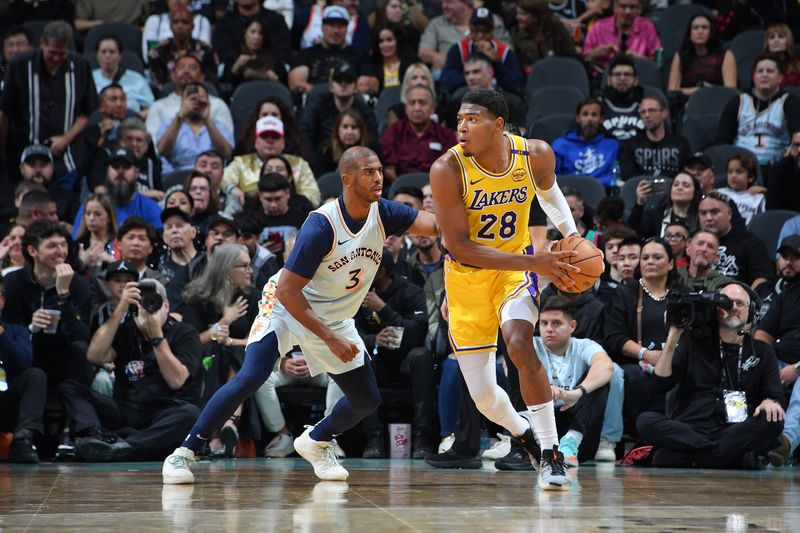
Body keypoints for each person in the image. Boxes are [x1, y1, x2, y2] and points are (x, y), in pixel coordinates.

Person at [161, 146, 441, 484]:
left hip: (334, 315)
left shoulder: (384, 212)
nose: (379, 177)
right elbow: (288, 292)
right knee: (252, 375)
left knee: (366, 399)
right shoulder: (321, 226)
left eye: (380, 170)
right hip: (286, 306)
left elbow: (435, 226)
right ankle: (184, 452)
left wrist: (470, 223)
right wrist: (330, 337)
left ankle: (315, 440)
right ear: (347, 180)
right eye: (369, 172)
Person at [429, 88, 591, 489]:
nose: (461, 127)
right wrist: (535, 261)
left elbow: (550, 195)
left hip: (512, 273)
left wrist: (572, 238)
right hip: (466, 279)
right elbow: (460, 246)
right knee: (484, 397)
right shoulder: (447, 169)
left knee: (519, 343)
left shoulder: (534, 154)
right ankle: (524, 434)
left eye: (472, 119)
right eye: (459, 120)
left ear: (498, 126)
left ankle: (552, 453)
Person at [636, 282, 785, 469]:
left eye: (740, 303)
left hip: (735, 429)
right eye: (726, 303)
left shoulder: (762, 351)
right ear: (714, 309)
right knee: (645, 421)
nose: (733, 308)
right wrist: (674, 335)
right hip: (690, 429)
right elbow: (660, 385)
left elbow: (776, 395)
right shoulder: (693, 342)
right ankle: (722, 455)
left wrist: (771, 401)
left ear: (751, 310)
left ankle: (689, 457)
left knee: (774, 421)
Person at [61, 278, 202, 462]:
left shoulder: (185, 333)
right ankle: (96, 437)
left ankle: (124, 447)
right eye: (141, 305)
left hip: (163, 411)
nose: (147, 310)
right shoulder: (127, 329)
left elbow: (176, 380)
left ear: (166, 306)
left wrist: (156, 337)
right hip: (125, 409)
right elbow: (94, 355)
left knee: (190, 414)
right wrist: (121, 309)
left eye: (153, 303)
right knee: (70, 388)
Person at [355, 249, 435, 458]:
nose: (360, 274)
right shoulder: (357, 294)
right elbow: (349, 334)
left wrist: (383, 309)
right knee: (361, 359)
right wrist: (374, 340)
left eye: (367, 270)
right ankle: (374, 437)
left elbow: (418, 333)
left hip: (407, 363)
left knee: (423, 356)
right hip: (378, 361)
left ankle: (422, 438)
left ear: (381, 272)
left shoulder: (411, 292)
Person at [179, 243, 256, 457]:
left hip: (239, 356)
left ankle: (218, 431)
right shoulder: (198, 298)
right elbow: (190, 342)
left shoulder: (252, 296)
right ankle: (227, 425)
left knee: (233, 353)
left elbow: (255, 339)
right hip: (203, 361)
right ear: (227, 269)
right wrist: (224, 321)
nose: (250, 271)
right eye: (245, 266)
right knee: (217, 352)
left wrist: (229, 340)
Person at [0, 21, 97, 182]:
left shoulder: (81, 66)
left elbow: (86, 112)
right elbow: (5, 111)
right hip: (23, 155)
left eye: (62, 53)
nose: (57, 58)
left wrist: (65, 138)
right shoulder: (20, 65)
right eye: (52, 53)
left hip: (66, 159)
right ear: (42, 43)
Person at [603, 237, 686, 420]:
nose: (650, 262)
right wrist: (647, 354)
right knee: (634, 376)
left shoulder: (682, 294)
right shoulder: (624, 293)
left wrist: (668, 357)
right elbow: (614, 336)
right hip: (638, 365)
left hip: (677, 362)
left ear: (671, 263)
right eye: (645, 257)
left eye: (657, 257)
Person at [2, 219, 93, 387]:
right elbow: (7, 335)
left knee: (80, 349)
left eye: (63, 245)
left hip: (65, 359)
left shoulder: (79, 284)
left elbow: (82, 338)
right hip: (28, 358)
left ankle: (78, 402)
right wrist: (30, 328)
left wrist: (64, 295)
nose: (61, 252)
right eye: (52, 246)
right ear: (32, 250)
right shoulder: (13, 282)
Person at [533, 296, 614, 466]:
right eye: (544, 323)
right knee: (520, 373)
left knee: (600, 381)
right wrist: (543, 389)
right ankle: (515, 442)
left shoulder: (583, 345)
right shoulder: (532, 345)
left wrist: (576, 393)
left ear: (572, 326)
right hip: (541, 424)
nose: (549, 329)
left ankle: (570, 444)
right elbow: (508, 369)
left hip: (578, 427)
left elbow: (606, 366)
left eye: (556, 323)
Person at [754, 236, 800, 467]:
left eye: (795, 257)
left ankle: (786, 443)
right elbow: (763, 333)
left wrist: (797, 368)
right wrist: (767, 363)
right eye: (785, 257)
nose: (788, 262)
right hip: (780, 362)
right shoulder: (786, 294)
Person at [717, 52, 800, 168]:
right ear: (753, 76)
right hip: (743, 169)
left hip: (778, 167)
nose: (764, 75)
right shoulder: (738, 102)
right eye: (760, 71)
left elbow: (797, 133)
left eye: (770, 71)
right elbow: (723, 141)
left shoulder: (789, 102)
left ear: (780, 77)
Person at [225, 117, 320, 208]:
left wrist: (284, 201)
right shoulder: (241, 162)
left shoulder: (299, 163)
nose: (270, 140)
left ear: (283, 142)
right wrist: (232, 188)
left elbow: (313, 195)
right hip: (251, 213)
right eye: (264, 136)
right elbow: (224, 178)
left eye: (275, 136)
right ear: (256, 142)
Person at [0, 275, 45, 463]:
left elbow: (23, 363)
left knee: (35, 375)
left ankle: (23, 438)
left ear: (2, 300)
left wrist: (1, 334)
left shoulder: (16, 330)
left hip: (5, 404)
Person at [73, 148, 163, 234]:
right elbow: (77, 240)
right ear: (107, 171)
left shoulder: (150, 208)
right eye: (115, 166)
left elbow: (161, 244)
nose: (120, 171)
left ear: (137, 172)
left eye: (126, 166)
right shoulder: (91, 208)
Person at [440, 7, 524, 97]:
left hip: (498, 95)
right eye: (475, 30)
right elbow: (446, 82)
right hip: (466, 95)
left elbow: (517, 86)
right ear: (470, 29)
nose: (480, 36)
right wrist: (476, 78)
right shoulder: (459, 49)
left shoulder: (504, 51)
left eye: (485, 31)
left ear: (492, 31)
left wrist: (497, 62)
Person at [145, 55, 233, 140]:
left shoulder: (218, 105)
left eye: (192, 68)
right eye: (181, 67)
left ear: (202, 77)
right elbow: (153, 145)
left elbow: (228, 144)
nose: (186, 71)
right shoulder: (158, 107)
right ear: (173, 76)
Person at [288, 6, 372, 95]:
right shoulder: (306, 54)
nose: (336, 31)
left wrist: (341, 96)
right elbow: (296, 83)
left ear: (347, 29)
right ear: (322, 27)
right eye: (332, 25)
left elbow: (370, 85)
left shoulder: (359, 56)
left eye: (340, 26)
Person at [380, 85, 456, 182]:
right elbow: (389, 171)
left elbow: (447, 170)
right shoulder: (392, 133)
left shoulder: (446, 135)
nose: (417, 108)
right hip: (401, 188)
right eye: (412, 103)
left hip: (436, 187)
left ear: (432, 109)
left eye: (422, 103)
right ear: (406, 108)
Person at [698, 191, 773, 289]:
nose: (708, 218)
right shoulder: (692, 243)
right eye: (703, 213)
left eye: (715, 212)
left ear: (729, 214)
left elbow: (762, 278)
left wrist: (747, 299)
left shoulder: (750, 241)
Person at [156, 82, 234, 173]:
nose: (195, 103)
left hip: (209, 175)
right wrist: (181, 115)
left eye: (200, 99)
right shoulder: (170, 124)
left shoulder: (218, 126)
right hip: (178, 175)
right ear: (182, 102)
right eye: (191, 99)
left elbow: (227, 154)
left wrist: (207, 120)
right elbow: (162, 150)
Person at [299, 63, 377, 152]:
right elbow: (305, 131)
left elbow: (372, 139)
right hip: (323, 156)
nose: (343, 84)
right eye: (339, 80)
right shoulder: (318, 104)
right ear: (331, 86)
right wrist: (312, 161)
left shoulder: (364, 111)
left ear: (355, 87)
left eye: (348, 81)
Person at [418, 0, 510, 74]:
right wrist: (447, 59)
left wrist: (493, 55)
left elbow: (508, 51)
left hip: (492, 75)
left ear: (465, 2)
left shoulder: (491, 21)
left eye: (449, 2)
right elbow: (423, 52)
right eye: (442, 2)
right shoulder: (436, 24)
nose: (444, 6)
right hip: (450, 75)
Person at [147, 5, 219, 93]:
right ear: (170, 26)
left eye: (185, 22)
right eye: (175, 22)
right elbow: (157, 85)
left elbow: (210, 84)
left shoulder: (207, 51)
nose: (180, 26)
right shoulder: (157, 52)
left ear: (192, 26)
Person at [618, 95, 690, 180]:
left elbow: (686, 174)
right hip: (640, 190)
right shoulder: (629, 145)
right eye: (643, 112)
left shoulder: (681, 143)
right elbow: (628, 177)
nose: (647, 115)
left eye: (651, 110)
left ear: (664, 113)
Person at [582, 0, 660, 78]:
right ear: (615, 7)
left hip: (638, 78)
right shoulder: (598, 27)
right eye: (623, 6)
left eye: (632, 7)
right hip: (603, 79)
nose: (627, 11)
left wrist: (640, 60)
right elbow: (584, 59)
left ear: (639, 9)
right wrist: (595, 54)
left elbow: (658, 61)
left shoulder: (648, 27)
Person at [552, 97, 619, 187]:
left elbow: (614, 177)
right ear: (578, 118)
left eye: (594, 115)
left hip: (601, 195)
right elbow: (554, 179)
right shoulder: (560, 145)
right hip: (568, 194)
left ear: (601, 119)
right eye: (585, 114)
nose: (589, 119)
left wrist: (589, 184)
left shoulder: (612, 145)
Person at [667, 13, 737, 99]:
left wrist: (701, 92)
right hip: (687, 104)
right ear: (690, 33)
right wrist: (697, 90)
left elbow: (730, 91)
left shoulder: (725, 55)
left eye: (704, 27)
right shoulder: (680, 56)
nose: (700, 31)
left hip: (718, 101)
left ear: (711, 31)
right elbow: (672, 91)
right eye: (696, 28)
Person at [213, 0, 291, 72]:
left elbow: (282, 54)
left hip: (271, 77)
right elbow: (224, 56)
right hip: (234, 78)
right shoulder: (224, 23)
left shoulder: (277, 20)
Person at [510, 0, 580, 77]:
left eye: (522, 14)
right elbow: (517, 65)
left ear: (536, 16)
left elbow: (571, 56)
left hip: (562, 75)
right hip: (534, 79)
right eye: (518, 13)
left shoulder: (556, 28)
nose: (517, 17)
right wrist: (526, 69)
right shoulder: (516, 34)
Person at [18, 144, 80, 226]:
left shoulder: (68, 198)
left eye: (43, 164)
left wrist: (70, 231)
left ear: (53, 167)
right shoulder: (10, 197)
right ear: (22, 168)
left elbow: (80, 227)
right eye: (32, 164)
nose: (38, 170)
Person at [92, 34, 154, 115]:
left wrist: (134, 118)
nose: (107, 56)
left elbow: (152, 108)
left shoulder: (137, 79)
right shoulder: (89, 79)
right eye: (103, 52)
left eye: (112, 52)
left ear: (120, 55)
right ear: (97, 55)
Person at [627, 172, 702, 239]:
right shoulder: (655, 216)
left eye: (685, 185)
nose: (679, 188)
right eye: (675, 185)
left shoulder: (701, 218)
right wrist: (640, 203)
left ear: (695, 192)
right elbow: (631, 233)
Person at [221, 18, 286, 91]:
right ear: (245, 33)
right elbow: (225, 85)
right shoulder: (233, 57)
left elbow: (284, 85)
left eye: (260, 33)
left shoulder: (274, 59)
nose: (256, 37)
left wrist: (274, 77)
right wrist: (236, 67)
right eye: (252, 32)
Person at [141, 0, 212, 61]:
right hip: (161, 69)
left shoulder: (201, 21)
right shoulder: (154, 21)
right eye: (175, 22)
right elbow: (148, 57)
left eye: (185, 22)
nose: (178, 0)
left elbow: (204, 54)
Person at [313, 109, 374, 177]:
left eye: (354, 127)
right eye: (345, 127)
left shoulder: (371, 148)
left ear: (361, 131)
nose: (349, 132)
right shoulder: (325, 150)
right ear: (337, 129)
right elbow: (321, 181)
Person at [599, 55, 644, 142]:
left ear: (636, 81)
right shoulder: (597, 106)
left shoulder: (646, 107)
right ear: (609, 80)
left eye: (627, 74)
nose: (622, 78)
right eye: (617, 74)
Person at [366, 23, 419, 94]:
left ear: (398, 41)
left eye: (389, 40)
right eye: (381, 41)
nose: (385, 45)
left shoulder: (412, 62)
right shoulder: (371, 65)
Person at [74, 194, 119, 276]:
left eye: (97, 214)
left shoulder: (120, 244)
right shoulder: (77, 244)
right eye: (88, 213)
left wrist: (111, 261)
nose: (91, 218)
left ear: (109, 217)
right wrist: (81, 263)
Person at [716, 152, 765, 225]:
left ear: (750, 177)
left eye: (739, 172)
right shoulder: (718, 193)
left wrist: (766, 191)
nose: (733, 175)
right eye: (730, 172)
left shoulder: (759, 198)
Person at [767, 131, 800, 212]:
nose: (799, 150)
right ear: (791, 149)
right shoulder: (779, 170)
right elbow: (773, 210)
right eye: (796, 145)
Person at [763, 23, 800, 89]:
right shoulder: (761, 65)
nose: (776, 40)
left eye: (781, 36)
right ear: (767, 43)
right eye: (772, 37)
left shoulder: (797, 65)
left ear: (788, 41)